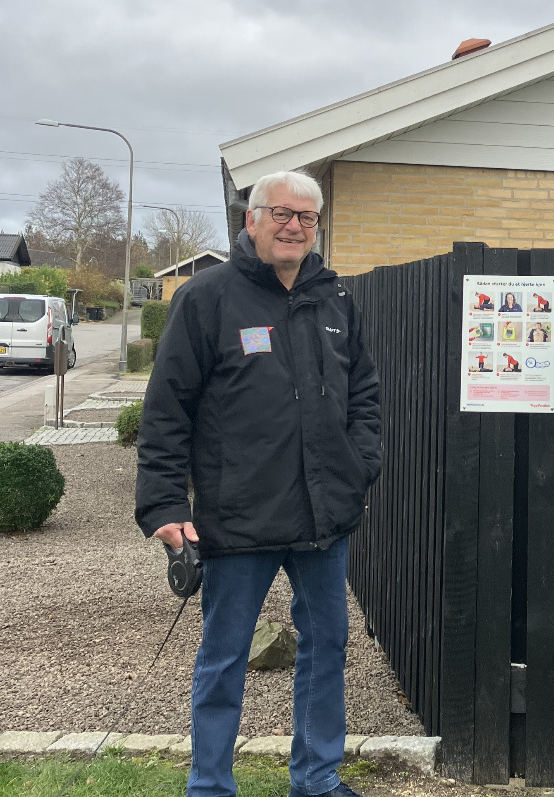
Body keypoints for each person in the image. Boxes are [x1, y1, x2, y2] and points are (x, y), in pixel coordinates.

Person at [135, 170, 382, 797]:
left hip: (324, 515)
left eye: (306, 217)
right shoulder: (208, 296)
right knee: (224, 660)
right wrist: (163, 502)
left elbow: (364, 394)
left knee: (326, 649)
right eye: (281, 213)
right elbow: (167, 408)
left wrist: (358, 465)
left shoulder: (335, 298)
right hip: (237, 515)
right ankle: (211, 785)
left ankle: (317, 779)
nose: (294, 226)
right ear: (252, 220)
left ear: (317, 226)